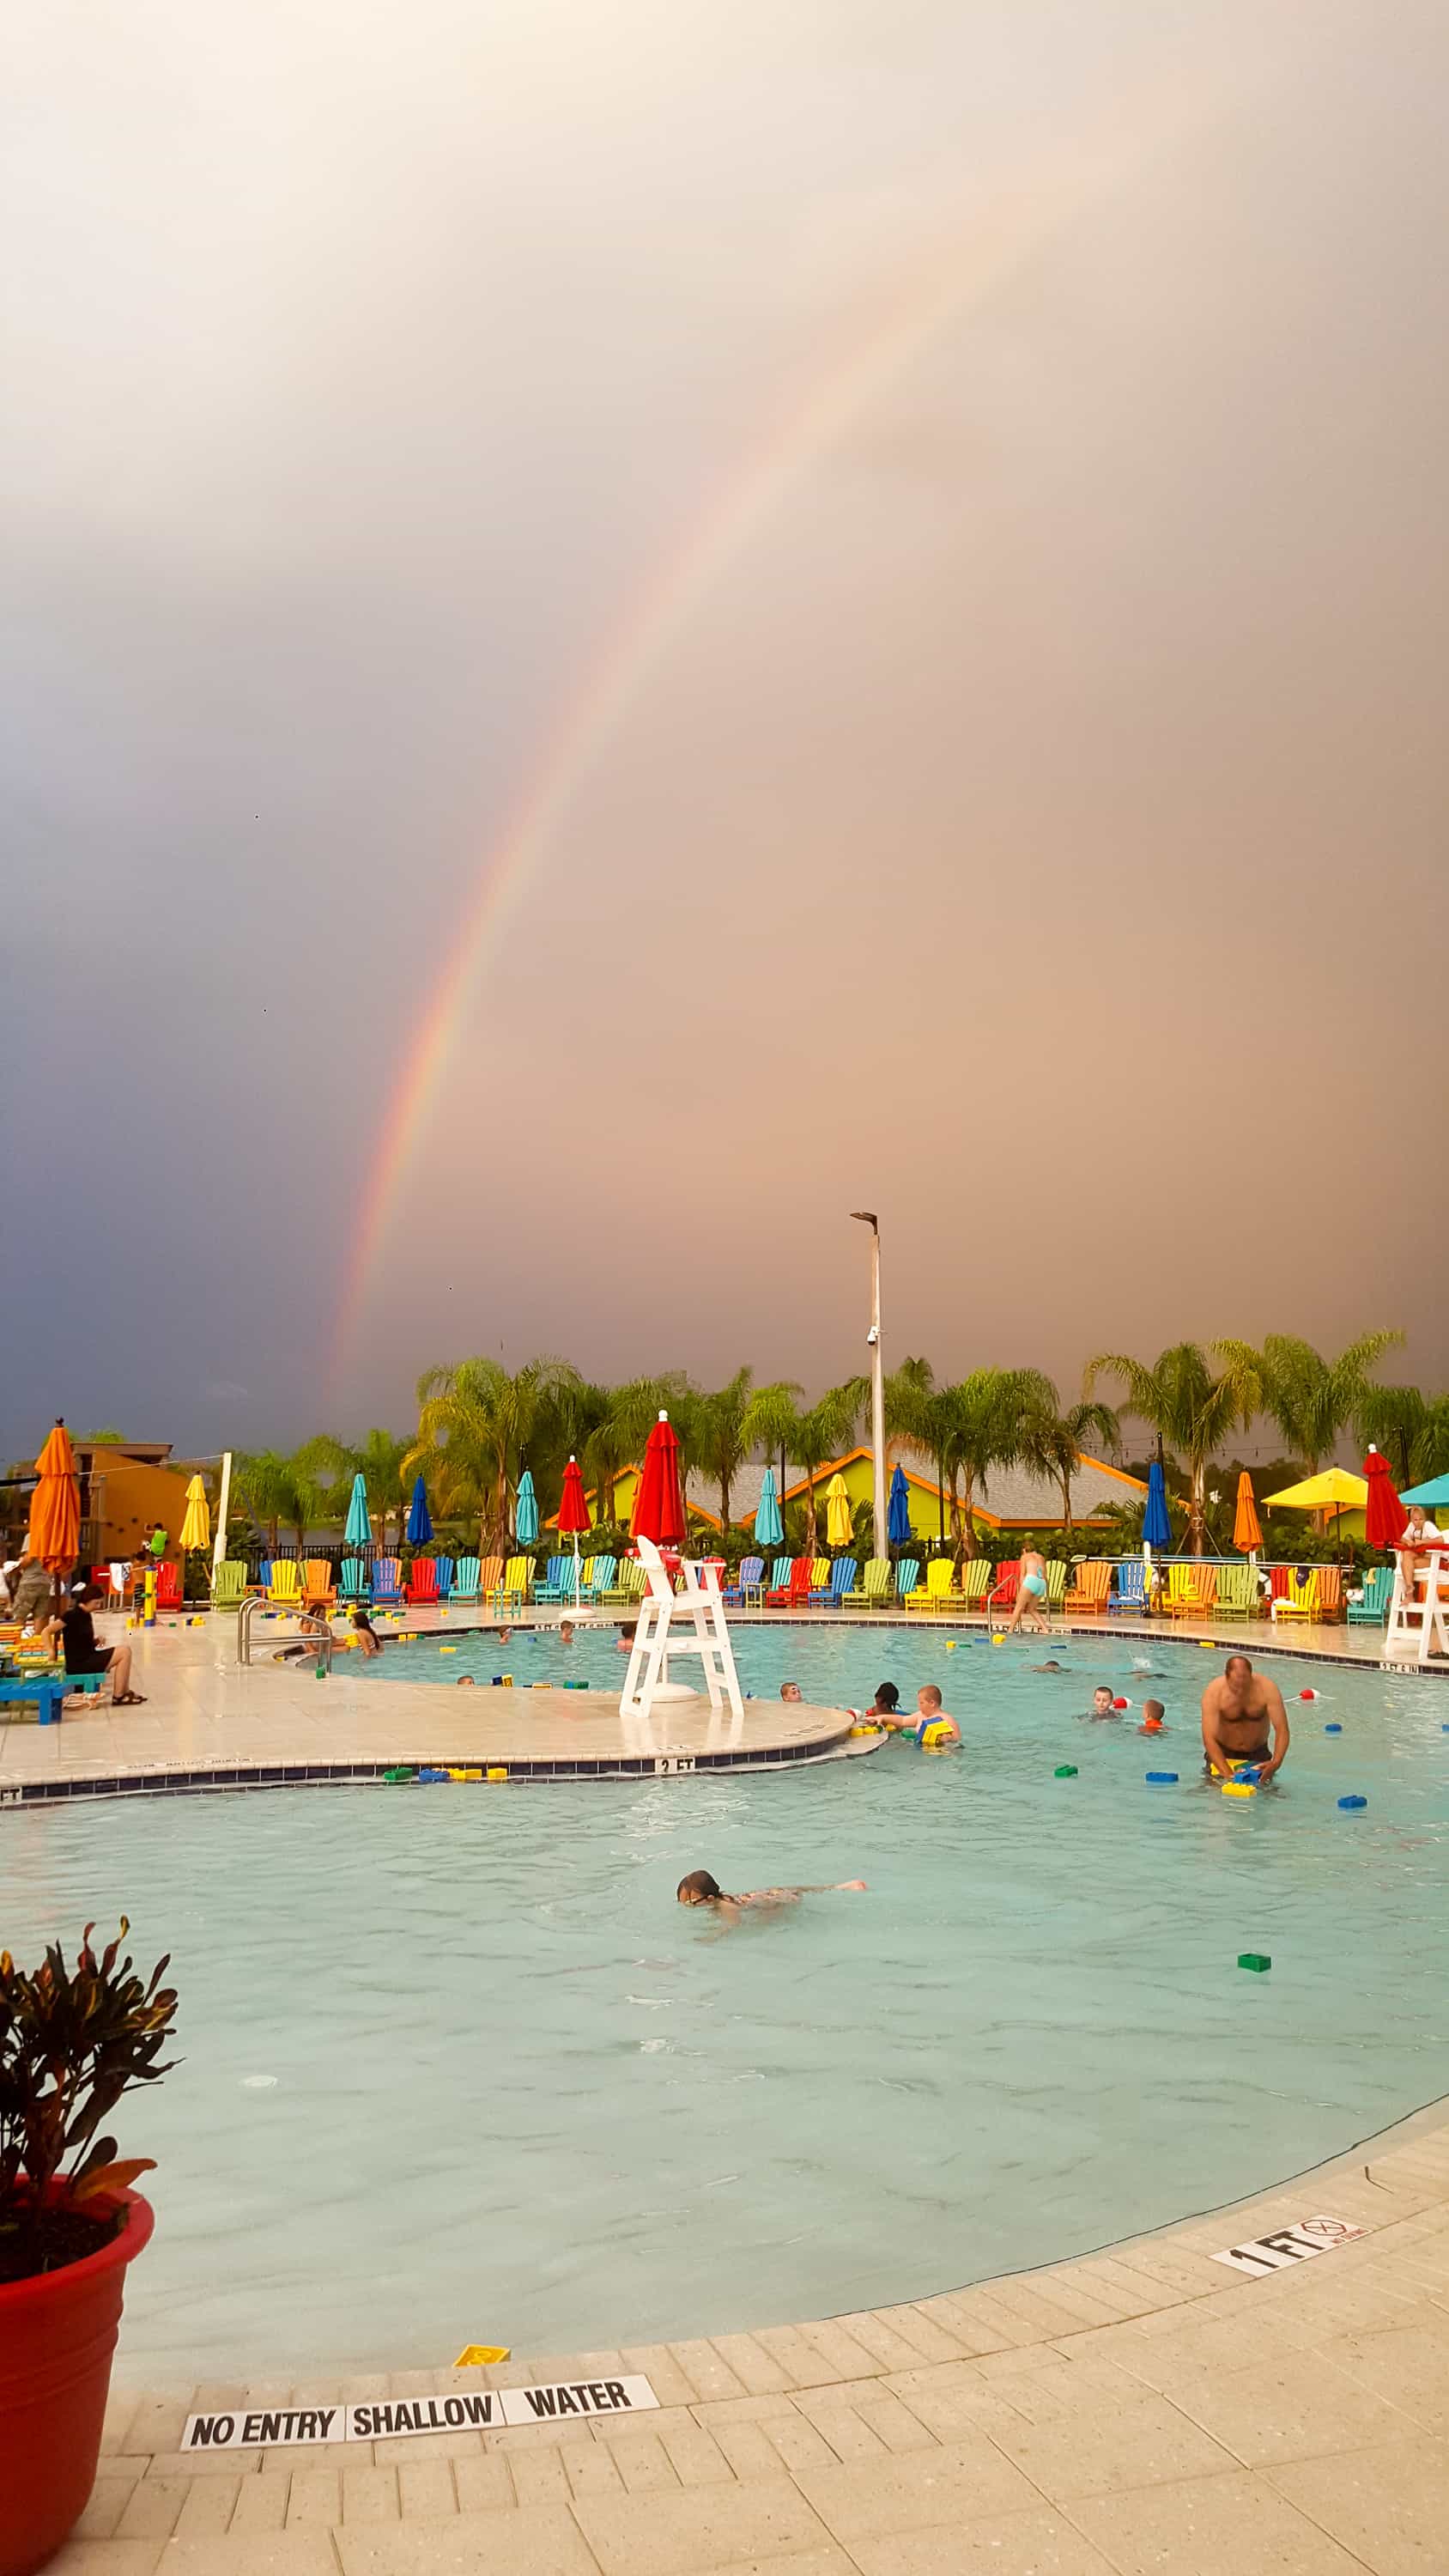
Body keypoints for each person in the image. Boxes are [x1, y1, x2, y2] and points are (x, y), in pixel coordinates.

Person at [43, 1583, 144, 1705]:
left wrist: (96, 1641)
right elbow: (46, 1631)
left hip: (88, 1657)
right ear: (87, 1600)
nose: (98, 1606)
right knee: (124, 1652)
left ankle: (125, 1691)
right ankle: (119, 1696)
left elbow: (80, 1641)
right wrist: (51, 1651)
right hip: (80, 1664)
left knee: (125, 1650)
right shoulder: (71, 1615)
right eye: (96, 1603)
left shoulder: (86, 1615)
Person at [1201, 1654, 1289, 1783]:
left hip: (1258, 1754)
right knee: (1215, 1794)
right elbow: (1209, 1738)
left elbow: (1282, 1730)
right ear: (1227, 1676)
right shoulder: (1214, 1692)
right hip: (1223, 1754)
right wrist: (1227, 1773)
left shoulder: (1267, 1689)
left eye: (1245, 1683)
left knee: (1266, 1796)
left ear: (1251, 1675)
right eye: (1236, 1685)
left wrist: (1276, 1762)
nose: (1241, 1690)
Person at [676, 1869, 867, 1916]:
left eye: (689, 1903)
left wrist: (712, 1937)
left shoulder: (725, 1906)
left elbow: (732, 1926)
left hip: (778, 1901)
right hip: (770, 1894)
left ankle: (844, 1887)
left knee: (768, 1917)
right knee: (807, 1889)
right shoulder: (723, 1900)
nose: (686, 1907)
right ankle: (843, 1886)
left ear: (709, 1899)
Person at [880, 1684, 960, 1747]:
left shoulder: (948, 1720)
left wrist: (949, 1739)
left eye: (921, 1703)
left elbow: (957, 1740)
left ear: (932, 1703)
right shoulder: (920, 1715)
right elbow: (902, 1720)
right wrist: (882, 1717)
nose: (919, 1705)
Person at [1399, 1505, 1444, 1599]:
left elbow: (1441, 1540)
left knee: (1405, 1565)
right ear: (1411, 1520)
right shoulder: (1411, 1526)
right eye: (1415, 1520)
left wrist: (1423, 1542)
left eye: (1421, 1519)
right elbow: (1402, 1538)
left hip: (1437, 1561)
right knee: (1407, 1555)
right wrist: (1408, 1542)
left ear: (1424, 1519)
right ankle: (1410, 1588)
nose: (1418, 1522)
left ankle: (1410, 1594)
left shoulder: (1428, 1525)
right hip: (1423, 1557)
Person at [1006, 1548, 1052, 1634]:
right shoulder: (1041, 1557)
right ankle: (1045, 1629)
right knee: (1031, 1608)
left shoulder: (1025, 1556)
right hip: (1042, 1583)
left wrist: (1020, 1591)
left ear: (1024, 1550)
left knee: (1018, 1607)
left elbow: (1022, 1575)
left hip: (1031, 1580)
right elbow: (1045, 1575)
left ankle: (1010, 1631)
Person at [9, 1552, 55, 1632]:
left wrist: (17, 1566)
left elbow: (29, 1558)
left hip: (30, 1581)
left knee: (20, 1614)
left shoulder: (32, 1539)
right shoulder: (49, 1540)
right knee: (40, 1615)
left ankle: (17, 1640)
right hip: (46, 1581)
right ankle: (37, 1641)